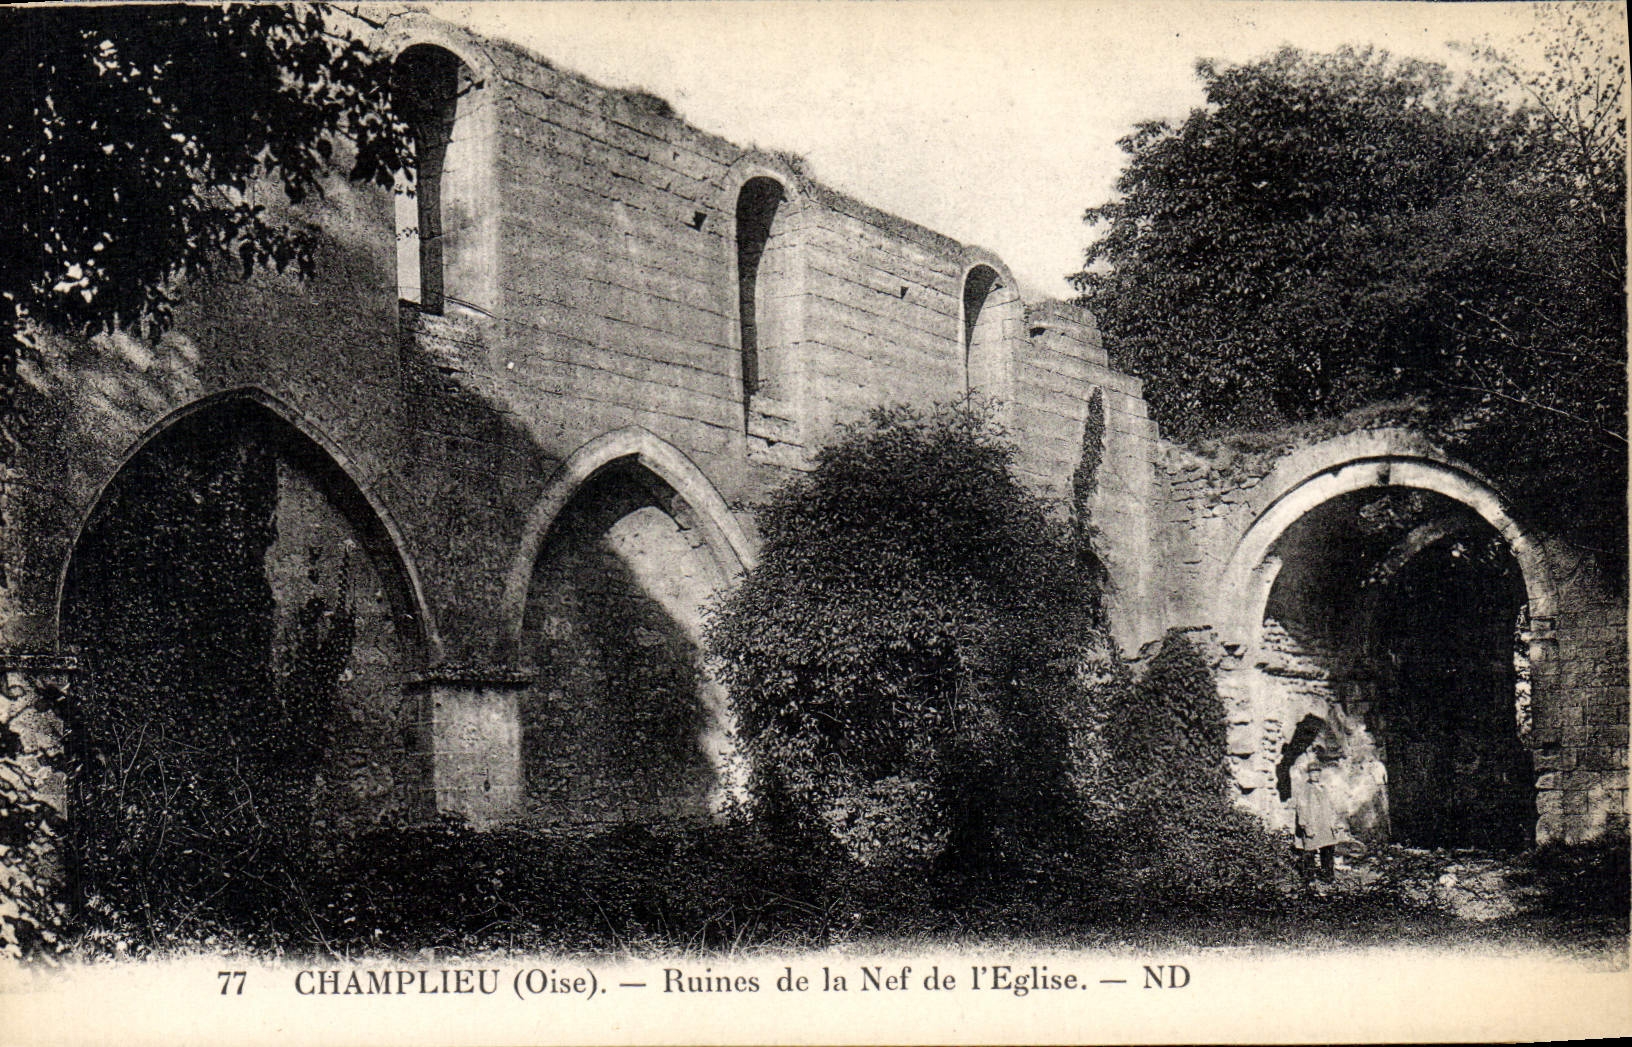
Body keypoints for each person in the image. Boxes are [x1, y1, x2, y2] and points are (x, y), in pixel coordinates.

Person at [1292, 759, 1341, 883]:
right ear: (1308, 774)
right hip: (1312, 826)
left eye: (1318, 772)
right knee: (1309, 853)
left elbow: (1330, 806)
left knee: (1328, 851)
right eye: (1313, 773)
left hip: (1325, 826)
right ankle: (1309, 879)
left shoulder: (1323, 788)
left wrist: (1333, 823)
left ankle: (1328, 877)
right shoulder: (1304, 790)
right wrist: (1305, 826)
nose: (1316, 775)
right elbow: (1301, 809)